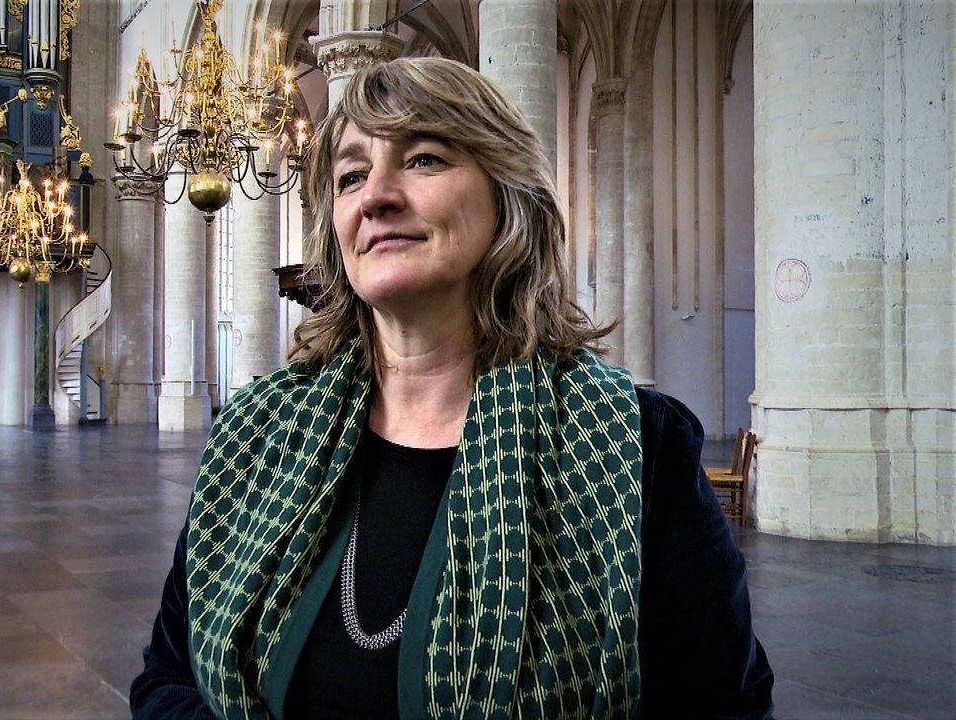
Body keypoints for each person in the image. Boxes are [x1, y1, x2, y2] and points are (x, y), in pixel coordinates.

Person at [130, 57, 774, 719]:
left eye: (425, 159)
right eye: (352, 175)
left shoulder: (634, 446)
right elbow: (170, 677)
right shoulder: (254, 435)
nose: (376, 195)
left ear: (506, 194)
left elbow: (725, 705)